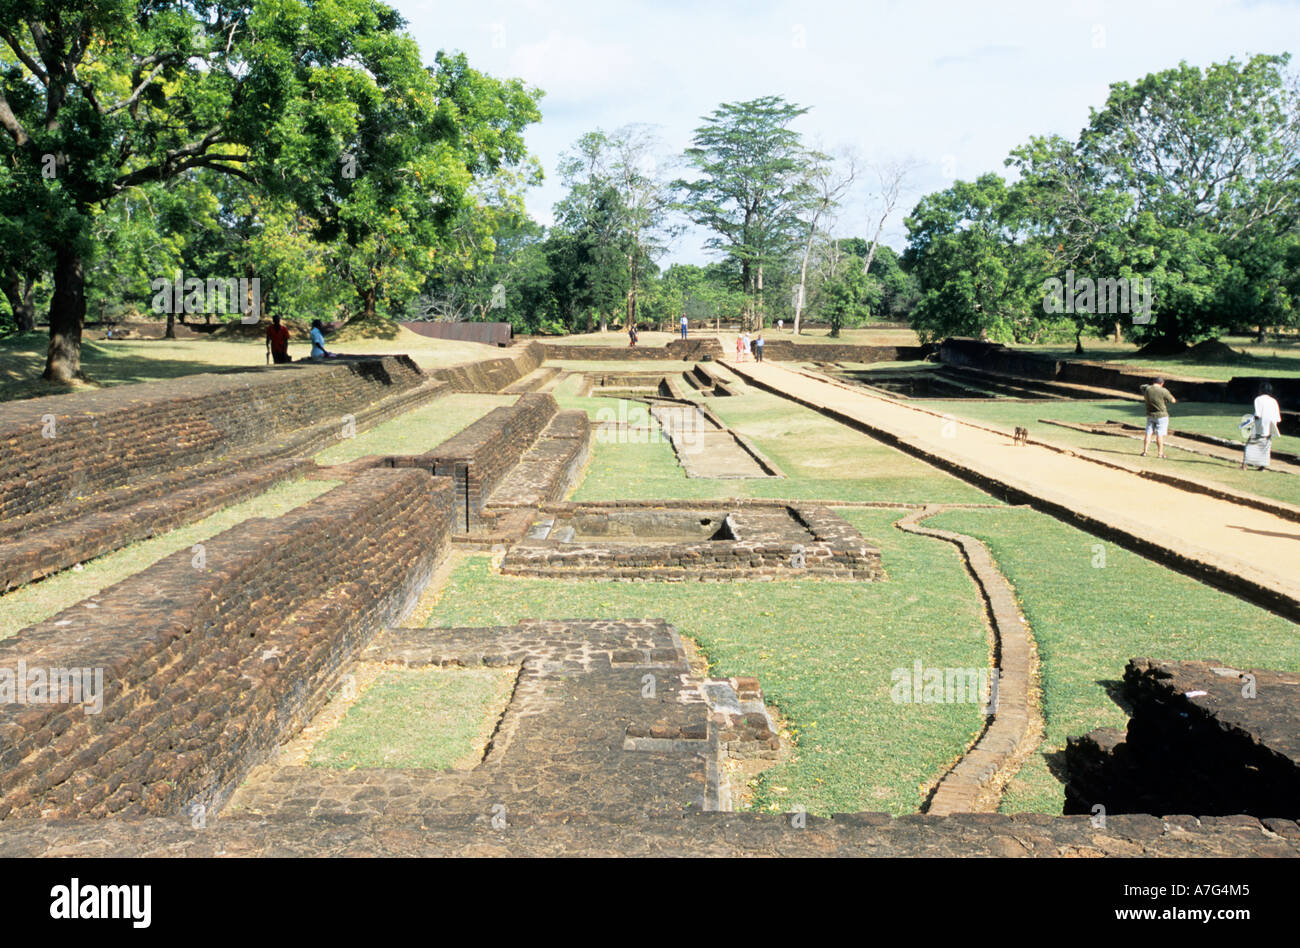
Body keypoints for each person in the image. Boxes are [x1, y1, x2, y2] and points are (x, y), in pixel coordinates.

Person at [1242, 382, 1282, 470]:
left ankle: (1245, 465)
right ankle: (1262, 466)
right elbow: (1278, 418)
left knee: (1250, 444)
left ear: (1261, 390)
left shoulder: (1258, 399)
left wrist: (1249, 422)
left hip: (1260, 425)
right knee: (1266, 446)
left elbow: (1258, 415)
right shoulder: (1274, 401)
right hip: (1271, 426)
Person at [1139, 376, 1176, 459]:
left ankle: (1145, 451)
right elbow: (1173, 400)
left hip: (1150, 415)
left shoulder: (1147, 389)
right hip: (1161, 416)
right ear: (1162, 383)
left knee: (1148, 433)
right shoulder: (1163, 390)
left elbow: (1142, 386)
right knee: (1160, 435)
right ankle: (1160, 453)